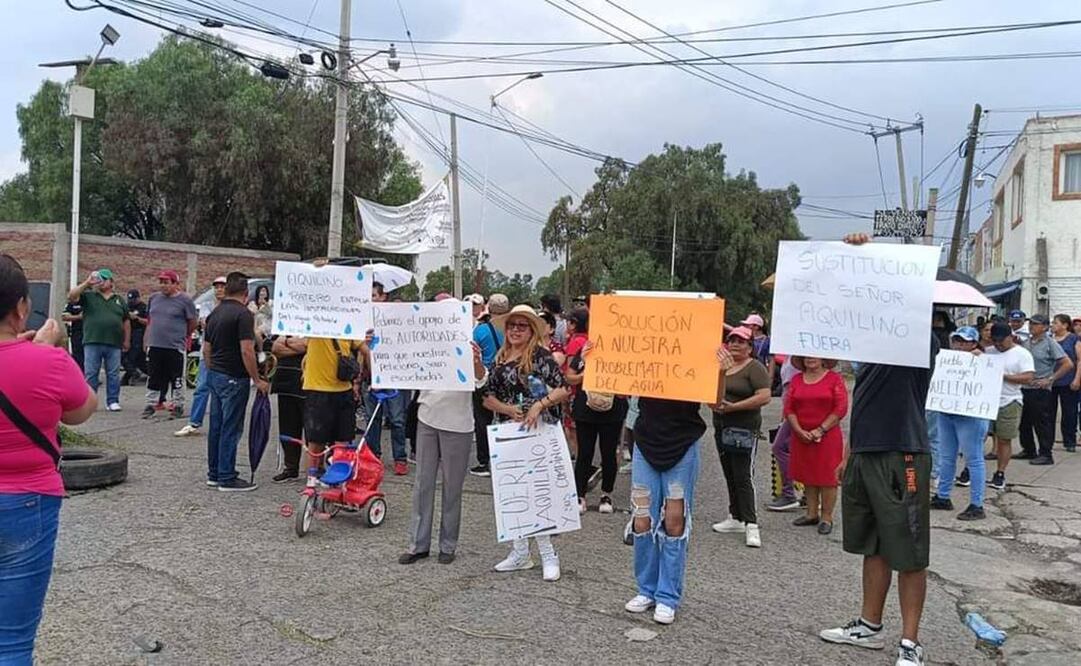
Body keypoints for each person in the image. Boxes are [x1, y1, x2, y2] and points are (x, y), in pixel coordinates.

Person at [819, 233, 938, 666]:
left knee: (908, 550)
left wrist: (874, 256)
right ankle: (869, 625)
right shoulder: (867, 345)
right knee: (874, 546)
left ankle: (910, 642)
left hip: (902, 453)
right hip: (867, 453)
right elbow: (865, 400)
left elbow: (898, 291)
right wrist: (849, 450)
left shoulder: (919, 339)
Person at [0, 254, 97, 663]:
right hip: (28, 501)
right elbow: (81, 410)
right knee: (13, 639)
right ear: (22, 307)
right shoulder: (49, 361)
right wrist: (45, 350)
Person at [625, 345, 733, 625]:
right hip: (645, 441)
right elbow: (613, 379)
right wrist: (596, 357)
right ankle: (646, 589)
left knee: (675, 521)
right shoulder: (642, 353)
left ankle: (667, 595)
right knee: (642, 518)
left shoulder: (697, 352)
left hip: (681, 444)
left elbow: (716, 402)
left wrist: (720, 371)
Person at [483, 305, 569, 582]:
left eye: (522, 326)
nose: (516, 330)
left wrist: (537, 406)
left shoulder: (540, 357)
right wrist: (509, 410)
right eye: (512, 325)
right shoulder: (499, 359)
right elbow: (487, 396)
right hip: (508, 431)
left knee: (539, 494)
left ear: (531, 330)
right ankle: (520, 552)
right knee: (514, 492)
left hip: (539, 430)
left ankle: (548, 554)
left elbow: (563, 388)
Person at [400, 305, 488, 566]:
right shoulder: (423, 343)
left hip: (458, 424)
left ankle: (448, 544)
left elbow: (481, 381)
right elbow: (397, 363)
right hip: (427, 418)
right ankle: (418, 544)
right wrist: (376, 346)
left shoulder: (469, 345)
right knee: (422, 485)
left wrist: (476, 362)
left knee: (452, 488)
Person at [202, 272, 268, 492]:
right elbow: (247, 350)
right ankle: (227, 476)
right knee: (231, 427)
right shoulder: (243, 315)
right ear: (246, 293)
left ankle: (215, 473)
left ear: (226, 289)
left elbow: (207, 349)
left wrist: (212, 370)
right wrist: (256, 379)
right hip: (234, 377)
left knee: (217, 426)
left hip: (216, 374)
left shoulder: (215, 314)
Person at [710, 326, 771, 548]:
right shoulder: (719, 367)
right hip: (721, 426)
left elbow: (764, 396)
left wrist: (735, 407)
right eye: (731, 340)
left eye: (741, 341)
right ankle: (735, 516)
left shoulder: (754, 368)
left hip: (745, 428)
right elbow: (710, 393)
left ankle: (751, 523)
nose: (735, 344)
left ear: (750, 347)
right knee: (729, 473)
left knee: (743, 476)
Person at [565, 309, 627, 515]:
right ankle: (579, 495)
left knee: (609, 454)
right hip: (586, 408)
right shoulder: (586, 350)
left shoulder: (624, 353)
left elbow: (630, 385)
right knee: (585, 452)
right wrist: (585, 366)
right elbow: (570, 378)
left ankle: (606, 494)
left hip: (613, 409)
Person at [929, 327, 991, 521]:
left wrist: (979, 357)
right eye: (957, 341)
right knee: (947, 456)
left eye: (965, 342)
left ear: (974, 343)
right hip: (947, 412)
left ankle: (976, 504)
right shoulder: (946, 359)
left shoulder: (983, 360)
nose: (960, 345)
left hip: (971, 416)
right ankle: (943, 495)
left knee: (973, 459)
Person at [785, 356, 848, 534]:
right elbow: (789, 408)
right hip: (802, 434)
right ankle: (811, 513)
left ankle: (826, 517)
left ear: (823, 359)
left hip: (827, 435)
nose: (810, 358)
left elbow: (841, 407)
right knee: (808, 473)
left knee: (828, 477)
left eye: (814, 355)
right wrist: (798, 430)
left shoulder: (834, 379)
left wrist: (821, 430)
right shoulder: (796, 379)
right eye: (806, 355)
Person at [361, 281, 410, 475]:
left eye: (374, 295)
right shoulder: (363, 322)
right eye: (369, 296)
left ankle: (400, 458)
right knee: (372, 420)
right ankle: (373, 457)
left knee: (397, 419)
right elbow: (359, 352)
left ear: (383, 297)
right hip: (370, 379)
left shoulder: (399, 321)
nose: (371, 300)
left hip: (394, 378)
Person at [68, 268, 129, 412]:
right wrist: (87, 283)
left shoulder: (119, 300)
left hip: (114, 342)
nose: (101, 282)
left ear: (111, 282)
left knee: (113, 373)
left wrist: (127, 340)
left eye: (104, 279)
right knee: (91, 373)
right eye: (99, 279)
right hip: (92, 340)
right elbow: (72, 296)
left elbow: (126, 321)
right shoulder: (89, 296)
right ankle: (90, 401)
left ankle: (112, 401)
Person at [984, 322, 1036, 490]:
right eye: (995, 341)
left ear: (1010, 337)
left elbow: (1028, 377)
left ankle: (1000, 472)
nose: (998, 344)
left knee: (1004, 439)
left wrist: (1004, 376)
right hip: (987, 400)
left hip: (1009, 400)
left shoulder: (1022, 354)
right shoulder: (989, 352)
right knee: (979, 437)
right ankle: (970, 469)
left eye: (1001, 341)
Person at [141, 270, 197, 419]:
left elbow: (192, 322)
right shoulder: (154, 298)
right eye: (161, 282)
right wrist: (147, 340)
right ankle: (151, 403)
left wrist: (184, 336)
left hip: (175, 345)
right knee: (154, 375)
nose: (163, 286)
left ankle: (178, 404)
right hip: (156, 344)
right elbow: (150, 321)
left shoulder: (185, 301)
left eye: (166, 283)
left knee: (177, 377)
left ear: (175, 284)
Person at [175, 276, 226, 437]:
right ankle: (194, 422)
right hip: (208, 351)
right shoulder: (206, 306)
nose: (219, 289)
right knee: (202, 386)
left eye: (222, 286)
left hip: (226, 354)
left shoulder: (233, 307)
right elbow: (205, 323)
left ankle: (224, 421)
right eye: (216, 286)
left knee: (224, 389)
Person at [1019, 314, 1073, 465]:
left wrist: (1050, 379)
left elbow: (1067, 364)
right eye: (1031, 324)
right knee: (1024, 422)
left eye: (1036, 324)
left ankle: (1045, 453)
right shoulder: (1026, 342)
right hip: (1024, 387)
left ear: (1044, 327)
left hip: (1040, 389)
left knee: (1042, 423)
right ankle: (1028, 449)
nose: (1032, 327)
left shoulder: (1050, 343)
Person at [469, 293, 508, 477]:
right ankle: (506, 459)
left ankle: (484, 462)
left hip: (483, 377)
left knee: (482, 419)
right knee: (506, 418)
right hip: (507, 378)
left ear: (489, 309)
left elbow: (471, 351)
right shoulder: (512, 329)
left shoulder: (480, 330)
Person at [270, 335, 307, 482]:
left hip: (307, 383)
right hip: (285, 383)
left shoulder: (316, 325)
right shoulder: (286, 327)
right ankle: (291, 467)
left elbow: (309, 347)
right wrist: (296, 347)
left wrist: (286, 344)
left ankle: (316, 468)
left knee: (312, 430)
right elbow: (275, 348)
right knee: (288, 427)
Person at [768, 356, 802, 512]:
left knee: (779, 447)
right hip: (789, 408)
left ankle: (789, 494)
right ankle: (807, 495)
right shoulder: (789, 356)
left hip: (797, 409)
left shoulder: (799, 357)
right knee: (796, 450)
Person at [1050, 314, 1081, 453]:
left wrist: (1077, 379)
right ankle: (1047, 441)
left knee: (1069, 412)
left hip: (1069, 380)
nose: (1053, 325)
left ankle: (1070, 441)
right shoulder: (1049, 339)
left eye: (1056, 323)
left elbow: (1079, 360)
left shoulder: (1074, 339)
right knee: (1048, 413)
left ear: (1065, 325)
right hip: (1051, 380)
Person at [122, 289, 149, 385]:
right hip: (127, 332)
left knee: (133, 356)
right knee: (126, 357)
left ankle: (132, 375)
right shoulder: (127, 307)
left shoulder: (143, 307)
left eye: (133, 299)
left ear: (138, 298)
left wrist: (137, 318)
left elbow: (148, 322)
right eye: (130, 299)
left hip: (139, 332)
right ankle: (133, 373)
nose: (131, 302)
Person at [741, 313, 775, 379]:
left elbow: (771, 360)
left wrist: (770, 377)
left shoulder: (767, 341)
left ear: (756, 326)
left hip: (760, 373)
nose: (745, 327)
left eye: (748, 325)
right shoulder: (745, 339)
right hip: (745, 373)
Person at [61, 301, 85, 371]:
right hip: (77, 333)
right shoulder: (73, 302)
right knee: (78, 357)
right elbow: (64, 316)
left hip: (92, 334)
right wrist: (79, 317)